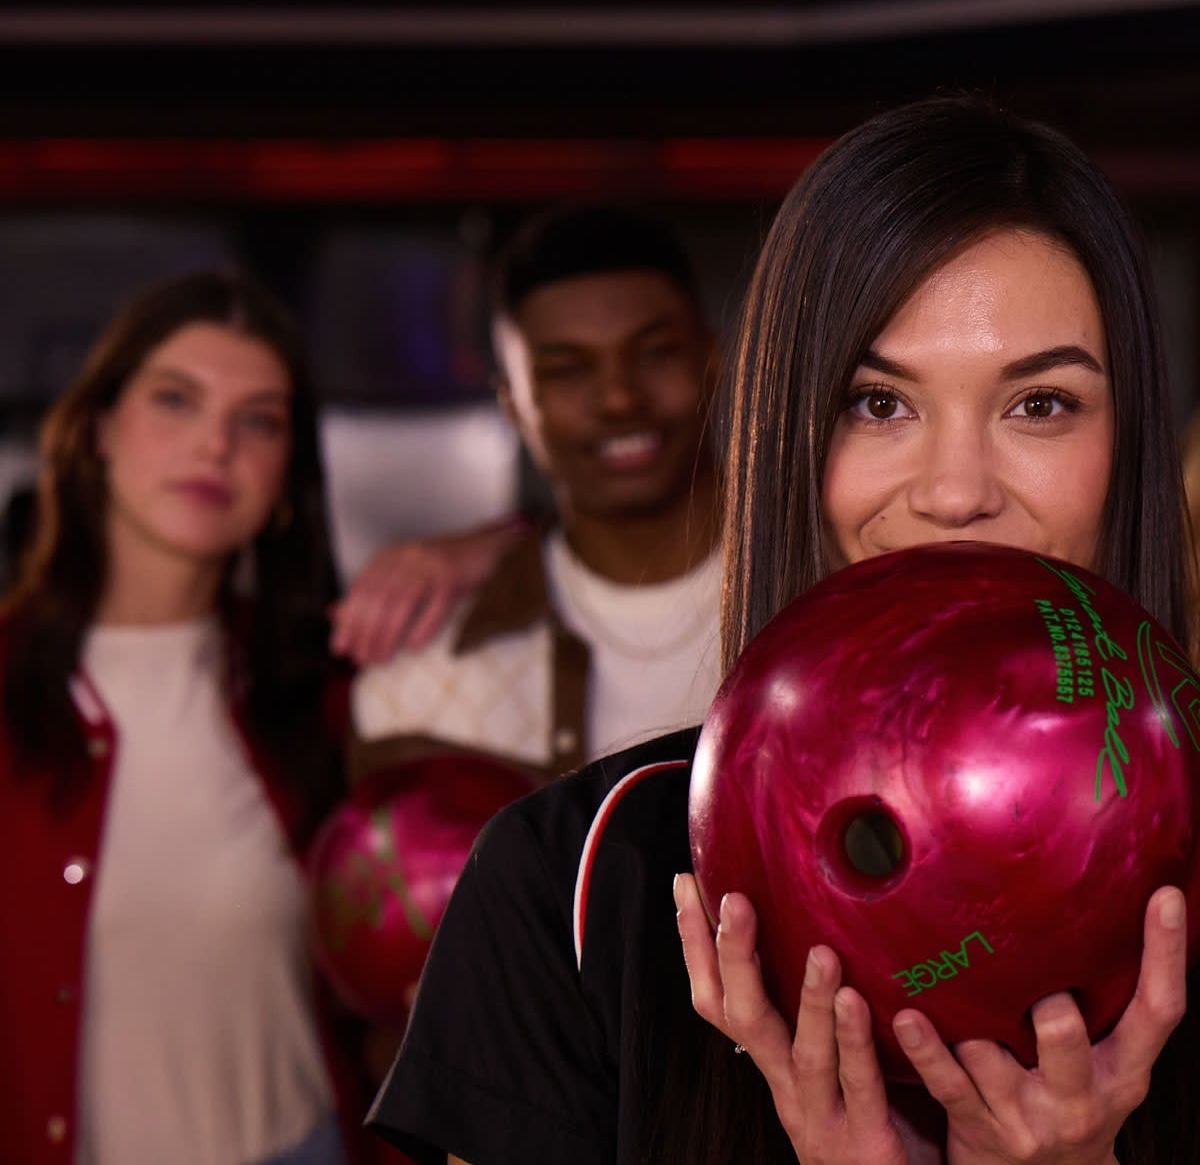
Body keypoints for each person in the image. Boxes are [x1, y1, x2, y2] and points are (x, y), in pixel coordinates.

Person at [366, 95, 1198, 1164]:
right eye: (877, 402)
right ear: (786, 432)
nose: (954, 492)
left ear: (1126, 444)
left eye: (1038, 404)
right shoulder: (563, 883)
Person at [0, 271, 373, 1164]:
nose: (215, 444)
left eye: (259, 421)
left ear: (287, 476)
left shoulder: (330, 690)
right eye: (176, 400)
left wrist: (469, 553)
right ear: (97, 432)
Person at [346, 205, 724, 781]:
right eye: (568, 370)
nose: (620, 398)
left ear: (713, 362)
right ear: (513, 408)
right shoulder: (424, 672)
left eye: (654, 353)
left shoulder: (822, 594)